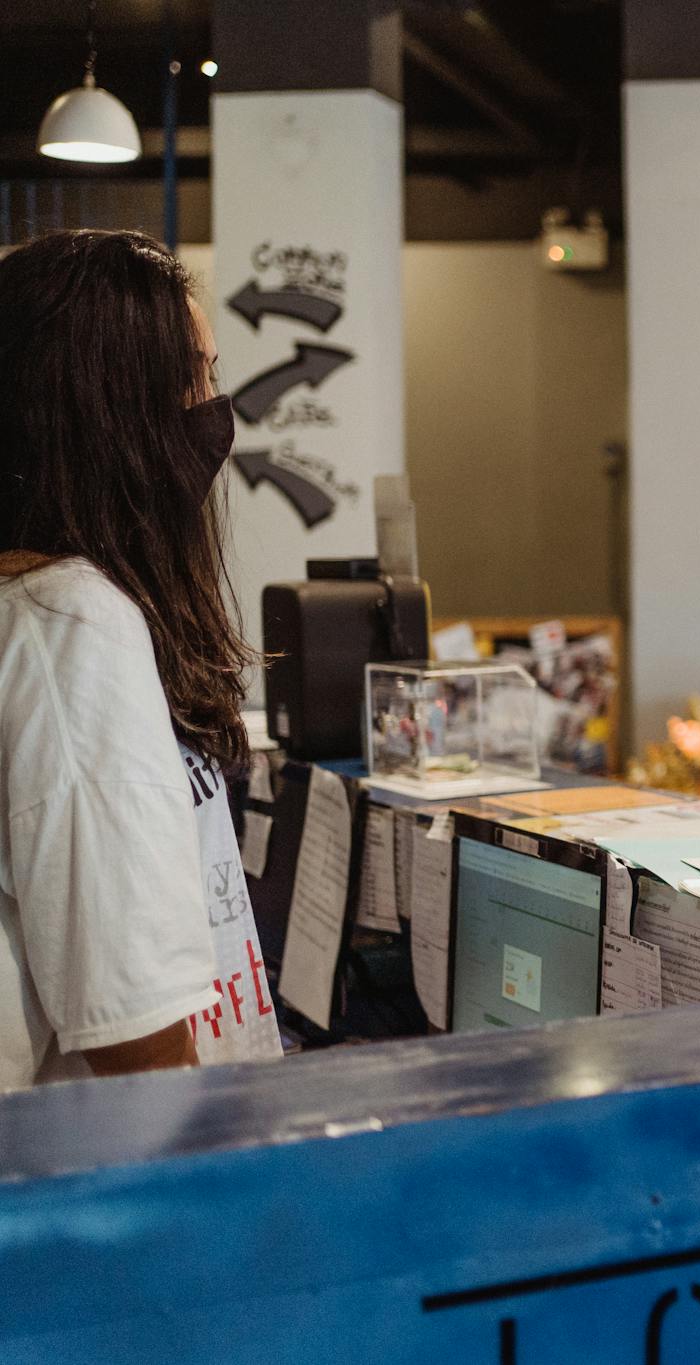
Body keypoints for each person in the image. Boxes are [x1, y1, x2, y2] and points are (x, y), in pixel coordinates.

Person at [0, 229, 281, 1090]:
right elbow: (139, 1045)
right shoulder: (70, 620)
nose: (212, 408)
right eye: (190, 377)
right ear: (110, 412)